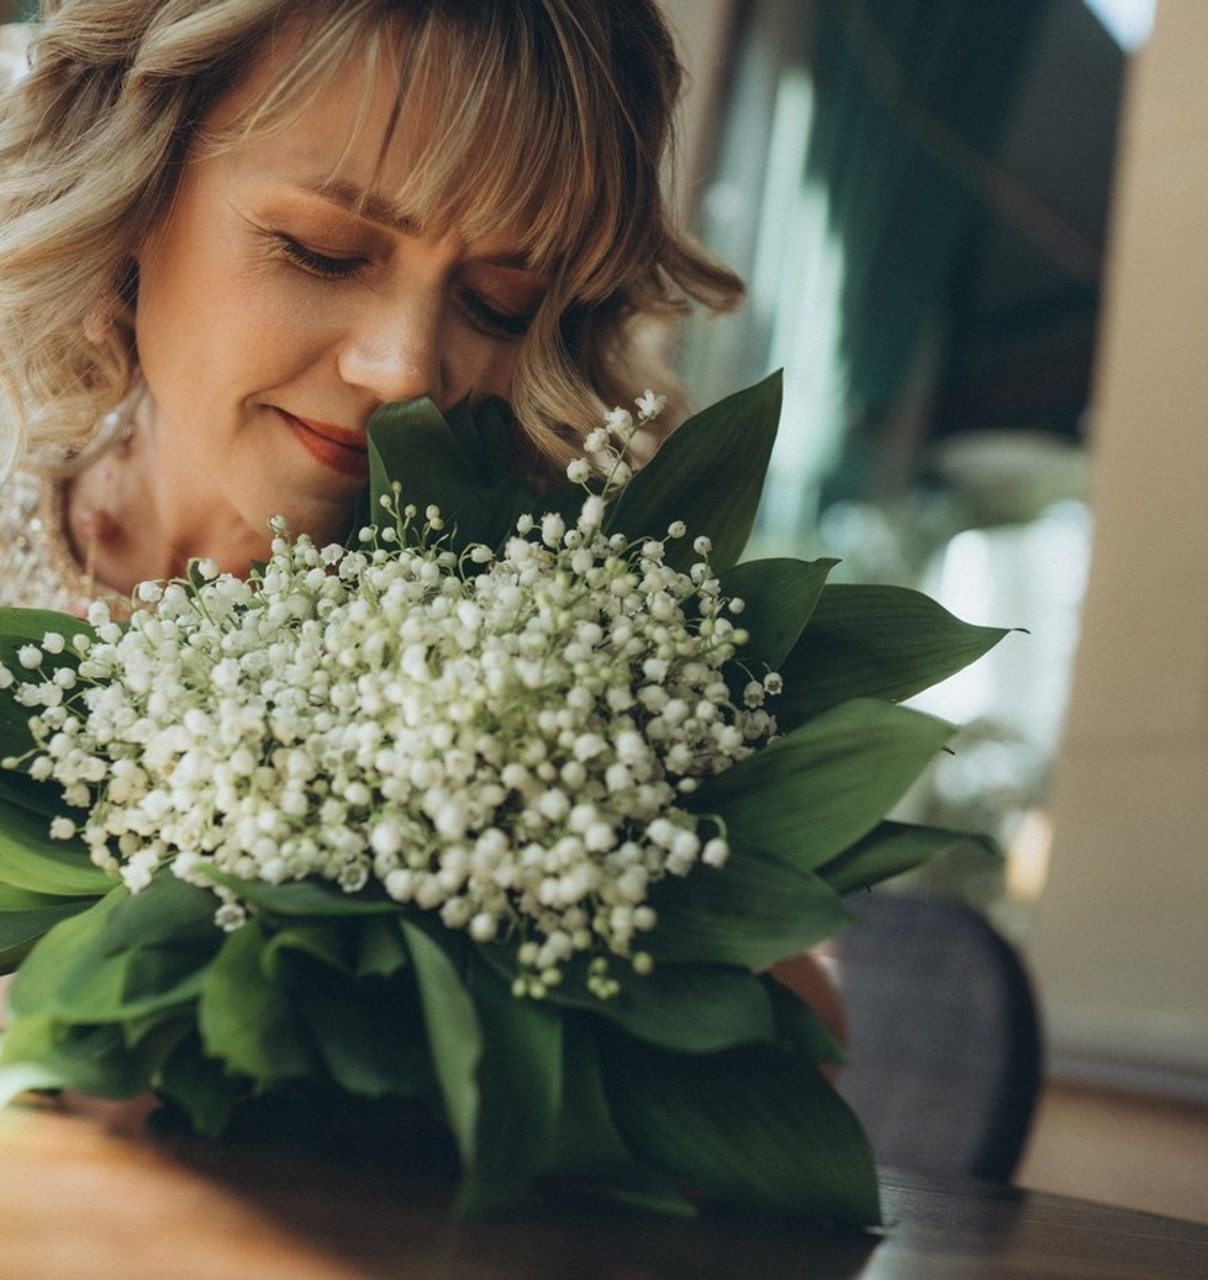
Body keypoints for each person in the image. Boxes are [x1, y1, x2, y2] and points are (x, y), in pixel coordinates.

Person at [0, 0, 845, 1046]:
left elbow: (799, 1028)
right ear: (135, 186)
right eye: (321, 250)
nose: (403, 367)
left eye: (497, 299)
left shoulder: (533, 671)